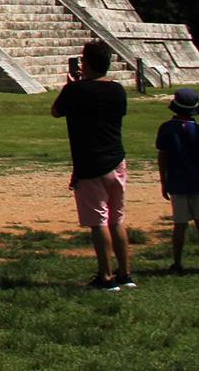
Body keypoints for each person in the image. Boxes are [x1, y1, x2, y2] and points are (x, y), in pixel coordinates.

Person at [52, 40, 133, 290]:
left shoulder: (76, 91)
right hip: (116, 161)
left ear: (85, 63)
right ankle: (125, 274)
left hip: (91, 163)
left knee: (98, 222)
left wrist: (71, 86)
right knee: (116, 220)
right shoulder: (118, 90)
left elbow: (56, 111)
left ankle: (106, 276)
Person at [156, 87, 199, 274]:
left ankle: (177, 262)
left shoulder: (166, 129)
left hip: (177, 180)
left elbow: (162, 157)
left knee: (179, 224)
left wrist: (163, 181)